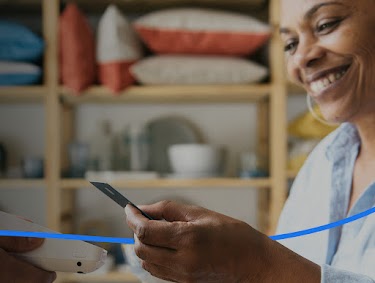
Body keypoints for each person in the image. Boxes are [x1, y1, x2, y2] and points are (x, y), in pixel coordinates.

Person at [125, 0, 375, 282]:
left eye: (325, 24)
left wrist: (259, 263)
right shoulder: (322, 163)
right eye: (290, 44)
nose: (300, 59)